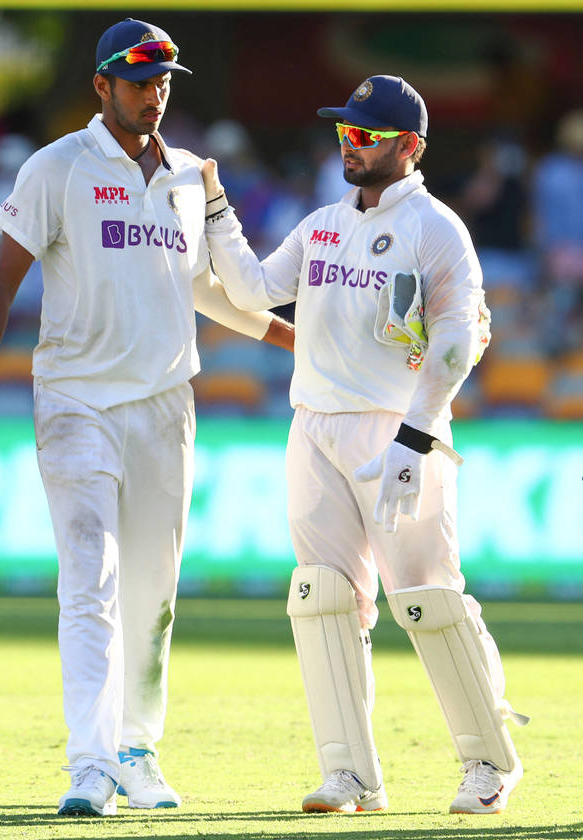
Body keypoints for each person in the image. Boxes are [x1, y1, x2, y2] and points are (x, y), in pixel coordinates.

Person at [0, 18, 293, 818]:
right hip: (75, 399)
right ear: (101, 86)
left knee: (154, 590)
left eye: (164, 80)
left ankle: (138, 751)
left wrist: (295, 340)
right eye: (139, 81)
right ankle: (90, 764)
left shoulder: (185, 177)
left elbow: (203, 290)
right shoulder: (58, 167)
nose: (154, 94)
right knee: (90, 581)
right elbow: (1, 283)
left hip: (166, 404)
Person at [201, 75, 528, 816]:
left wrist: (416, 438)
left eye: (367, 135)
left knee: (428, 600)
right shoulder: (321, 223)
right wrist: (216, 212)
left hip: (397, 431)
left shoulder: (437, 227)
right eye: (344, 132)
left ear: (409, 146)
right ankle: (350, 775)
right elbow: (252, 290)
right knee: (322, 596)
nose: (350, 145)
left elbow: (456, 339)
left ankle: (489, 764)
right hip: (313, 424)